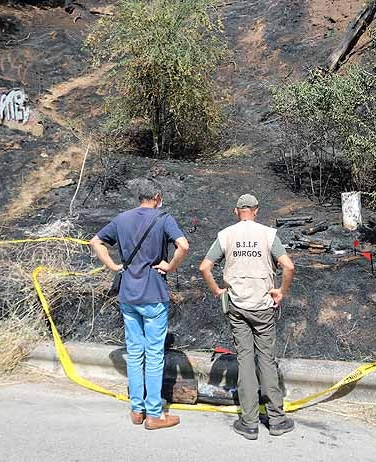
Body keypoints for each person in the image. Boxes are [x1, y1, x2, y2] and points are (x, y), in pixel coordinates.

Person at [91, 180, 189, 430]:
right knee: (154, 354)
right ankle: (154, 414)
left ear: (139, 197)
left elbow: (95, 242)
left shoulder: (121, 219)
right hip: (153, 294)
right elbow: (183, 246)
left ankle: (137, 410)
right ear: (157, 196)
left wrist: (113, 266)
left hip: (128, 295)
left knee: (135, 353)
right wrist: (170, 266)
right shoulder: (164, 218)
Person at [198, 193, 296, 441]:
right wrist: (280, 291)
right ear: (256, 210)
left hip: (237, 307)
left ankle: (249, 422)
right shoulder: (268, 234)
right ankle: (276, 419)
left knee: (245, 361)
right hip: (263, 307)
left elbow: (204, 267)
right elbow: (289, 266)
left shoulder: (226, 235)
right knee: (267, 361)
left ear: (236, 211)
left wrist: (218, 290)